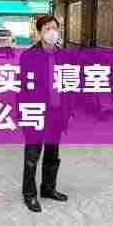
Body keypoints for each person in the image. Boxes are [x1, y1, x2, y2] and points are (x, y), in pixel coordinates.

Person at [18, 15, 73, 213]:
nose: (52, 32)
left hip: (56, 113)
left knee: (52, 153)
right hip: (36, 112)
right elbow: (22, 88)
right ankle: (29, 194)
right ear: (39, 32)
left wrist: (68, 109)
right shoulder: (28, 56)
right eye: (47, 29)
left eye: (54, 28)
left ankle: (48, 189)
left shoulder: (64, 56)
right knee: (32, 155)